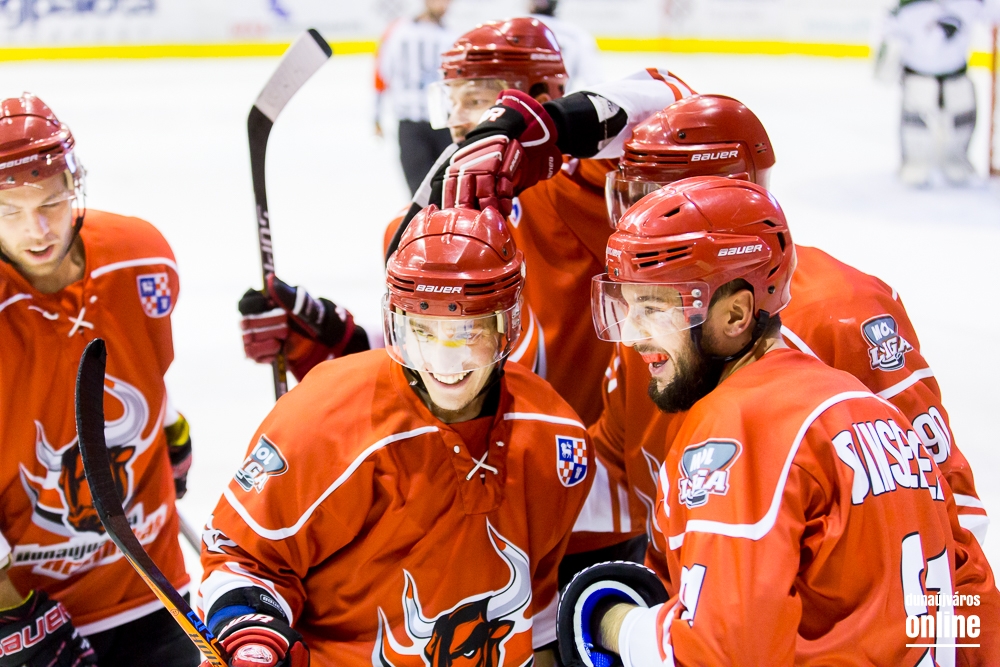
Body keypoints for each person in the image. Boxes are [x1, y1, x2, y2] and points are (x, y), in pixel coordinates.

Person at [563, 176, 999, 665]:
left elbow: (723, 652)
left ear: (735, 315)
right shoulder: (875, 411)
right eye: (628, 306)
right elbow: (974, 600)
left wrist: (611, 621)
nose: (632, 335)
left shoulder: (740, 426)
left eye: (654, 307)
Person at [586, 95, 989, 583]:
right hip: (697, 585)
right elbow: (618, 467)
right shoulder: (655, 311)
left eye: (655, 197)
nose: (635, 220)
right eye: (631, 195)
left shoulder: (843, 311)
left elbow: (949, 506)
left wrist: (934, 623)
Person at [199, 206, 593, 667]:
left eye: (467, 332)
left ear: (506, 324)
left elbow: (537, 617)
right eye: (423, 331)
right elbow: (240, 557)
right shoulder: (322, 421)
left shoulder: (556, 438)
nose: (444, 363)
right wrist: (251, 634)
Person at [0, 94, 199, 665]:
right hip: (37, 606)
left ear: (74, 185)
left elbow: (145, 365)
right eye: (10, 211)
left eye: (51, 202)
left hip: (151, 581)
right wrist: (10, 615)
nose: (38, 229)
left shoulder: (142, 258)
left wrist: (170, 427)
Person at [877, 0, 1000, 185]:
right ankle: (916, 164)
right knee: (917, 125)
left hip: (957, 75)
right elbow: (890, 32)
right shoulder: (908, 7)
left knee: (960, 120)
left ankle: (956, 163)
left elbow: (993, 12)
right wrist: (888, 57)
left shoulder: (969, 3)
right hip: (919, 77)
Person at [375, 0, 456, 194]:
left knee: (448, 190)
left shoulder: (451, 36)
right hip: (410, 123)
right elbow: (381, 75)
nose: (443, 5)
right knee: (419, 193)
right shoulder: (399, 33)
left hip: (444, 125)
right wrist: (376, 116)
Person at [527, 0, 602, 91]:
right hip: (560, 98)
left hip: (515, 99)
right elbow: (595, 81)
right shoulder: (576, 34)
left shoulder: (514, 28)